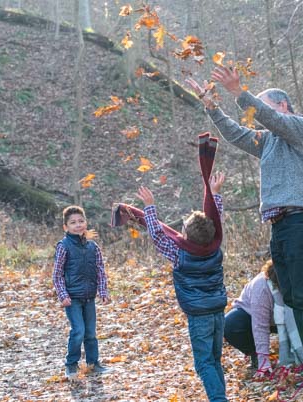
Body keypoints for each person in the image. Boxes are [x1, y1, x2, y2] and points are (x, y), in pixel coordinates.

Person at [187, 67, 303, 385]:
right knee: (292, 296)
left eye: (263, 107)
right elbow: (235, 134)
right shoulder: (267, 141)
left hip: (302, 220)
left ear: (282, 106)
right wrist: (212, 107)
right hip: (280, 225)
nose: (258, 116)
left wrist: (238, 92)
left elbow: (269, 119)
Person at [112, 133, 227, 402]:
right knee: (214, 360)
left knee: (204, 363)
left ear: (184, 235)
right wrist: (215, 195)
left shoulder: (179, 254)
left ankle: (219, 399)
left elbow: (157, 235)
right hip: (218, 311)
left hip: (199, 316)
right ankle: (220, 396)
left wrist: (149, 207)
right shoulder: (215, 247)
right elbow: (216, 219)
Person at [224, 260, 303, 379]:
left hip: (288, 318)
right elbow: (260, 326)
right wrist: (263, 361)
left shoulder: (302, 281)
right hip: (251, 317)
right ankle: (255, 354)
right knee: (230, 324)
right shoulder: (261, 287)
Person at [52, 205, 110, 378]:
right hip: (72, 298)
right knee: (78, 331)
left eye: (81, 221)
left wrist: (103, 291)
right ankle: (71, 364)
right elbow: (57, 274)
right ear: (66, 227)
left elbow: (100, 270)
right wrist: (63, 295)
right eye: (73, 222)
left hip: (89, 297)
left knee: (90, 333)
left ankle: (93, 364)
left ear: (86, 223)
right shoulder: (63, 246)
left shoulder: (93, 247)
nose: (78, 225)